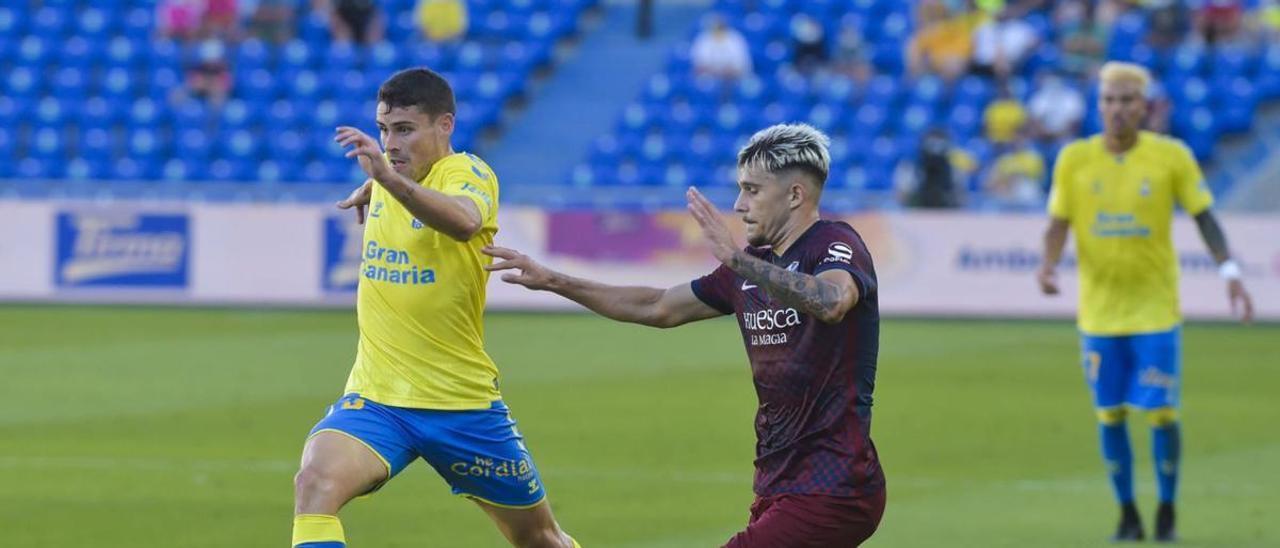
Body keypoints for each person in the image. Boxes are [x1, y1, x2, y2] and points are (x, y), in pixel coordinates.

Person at [484, 124, 887, 547]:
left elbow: (832, 301)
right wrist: (553, 280)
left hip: (834, 484)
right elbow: (658, 306)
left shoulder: (834, 243)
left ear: (794, 195)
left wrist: (734, 257)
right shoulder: (753, 264)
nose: (739, 204)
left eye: (752, 190)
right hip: (779, 480)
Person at [292, 67, 580, 548]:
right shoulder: (388, 178)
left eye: (404, 130)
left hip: (460, 405)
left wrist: (386, 180)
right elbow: (398, 183)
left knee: (539, 539)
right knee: (315, 484)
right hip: (379, 400)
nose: (390, 143)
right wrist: (381, 183)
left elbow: (464, 222)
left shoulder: (469, 174)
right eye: (384, 130)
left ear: (444, 125)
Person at [1036, 62, 1255, 543]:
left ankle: (1168, 510)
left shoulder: (1171, 157)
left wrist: (1231, 272)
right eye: (1109, 101)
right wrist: (1049, 263)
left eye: (1126, 100)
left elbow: (1205, 217)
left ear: (1145, 105)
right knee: (1110, 412)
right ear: (1099, 106)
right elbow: (1059, 221)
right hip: (1098, 313)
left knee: (1162, 414)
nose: (1117, 109)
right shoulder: (1074, 159)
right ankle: (1128, 513)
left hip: (1155, 310)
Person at [690, 14, 753, 81]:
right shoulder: (703, 38)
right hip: (709, 77)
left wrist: (727, 71)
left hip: (734, 78)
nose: (718, 28)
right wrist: (716, 72)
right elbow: (699, 65)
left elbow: (742, 64)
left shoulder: (736, 39)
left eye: (720, 26)